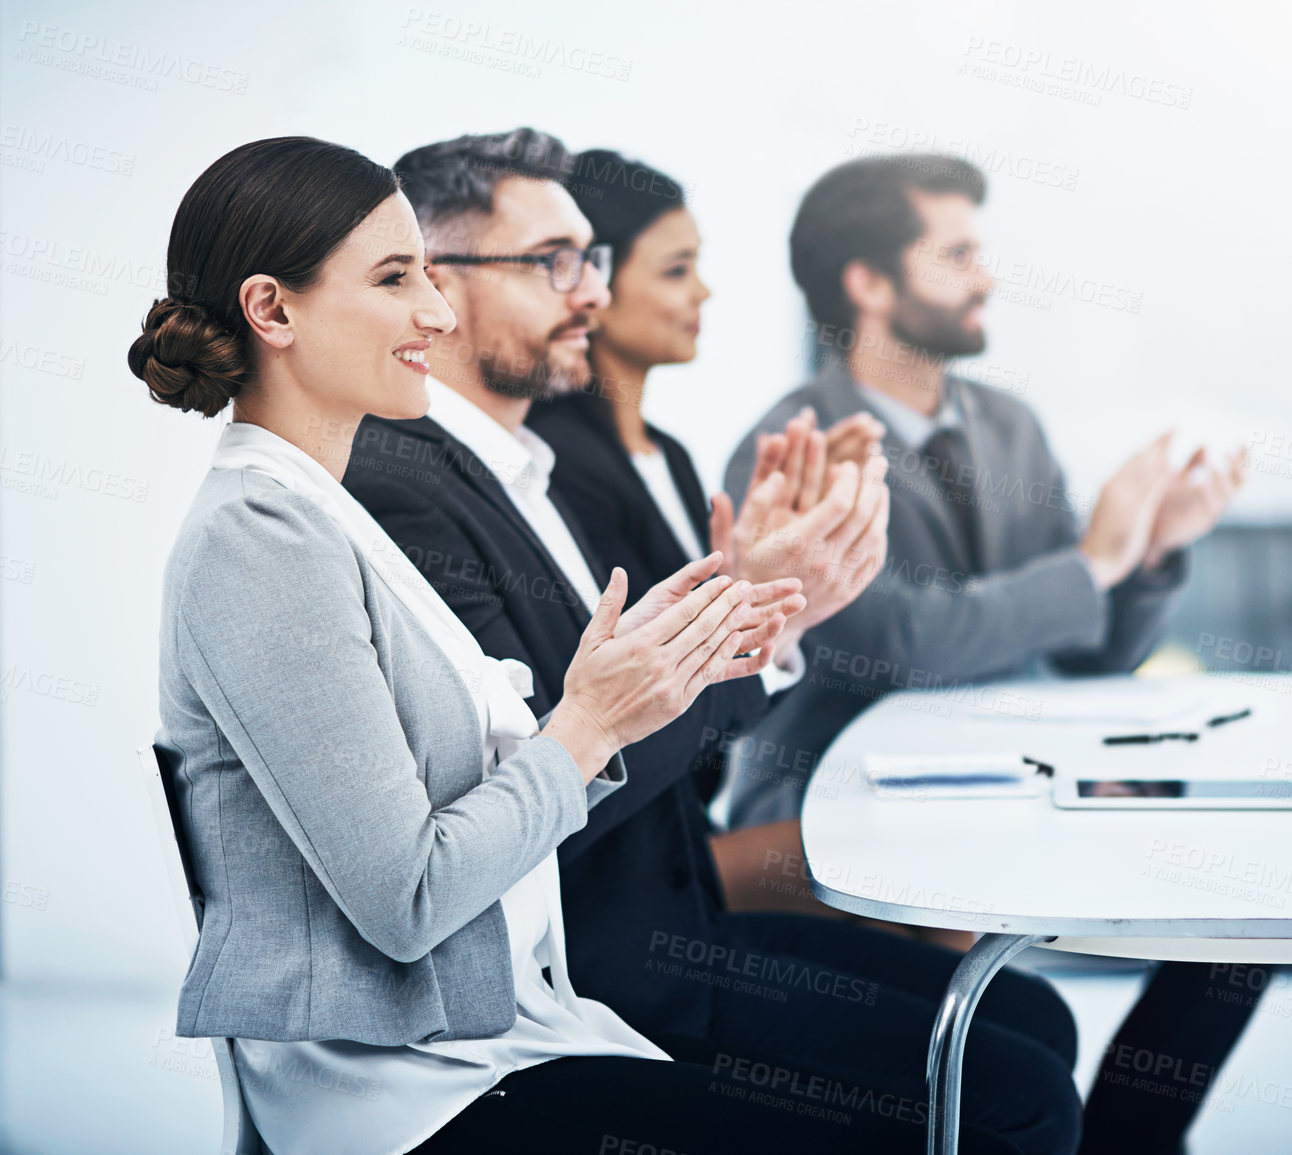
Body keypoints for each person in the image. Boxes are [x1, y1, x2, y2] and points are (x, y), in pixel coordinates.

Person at [136, 135, 976, 1155]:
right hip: (413, 1091)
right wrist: (589, 725)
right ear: (273, 310)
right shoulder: (259, 538)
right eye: (397, 279)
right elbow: (409, 900)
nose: (435, 313)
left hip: (506, 1026)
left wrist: (711, 638)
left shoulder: (328, 513)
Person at [345, 128, 1084, 1155]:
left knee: (1028, 1028)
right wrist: (756, 612)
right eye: (555, 263)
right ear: (436, 285)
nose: (591, 294)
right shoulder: (406, 489)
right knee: (1012, 1090)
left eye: (595, 261)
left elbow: (614, 724)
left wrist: (763, 611)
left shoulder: (523, 476)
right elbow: (545, 776)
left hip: (660, 923)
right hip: (604, 964)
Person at [721, 154, 1256, 1154]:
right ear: (869, 284)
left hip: (1009, 780)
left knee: (1235, 906)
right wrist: (1097, 558)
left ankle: (1133, 1141)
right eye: (957, 253)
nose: (986, 276)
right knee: (1011, 1020)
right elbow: (895, 645)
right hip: (843, 803)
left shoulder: (1009, 427)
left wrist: (1149, 558)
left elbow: (1090, 650)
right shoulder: (789, 450)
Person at [525, 149, 896, 905]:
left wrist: (764, 581)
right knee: (900, 868)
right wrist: (743, 604)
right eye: (673, 269)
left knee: (913, 877)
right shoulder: (551, 468)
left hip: (687, 822)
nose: (702, 289)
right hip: (623, 863)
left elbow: (713, 722)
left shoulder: (673, 457)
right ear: (591, 281)